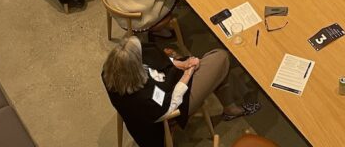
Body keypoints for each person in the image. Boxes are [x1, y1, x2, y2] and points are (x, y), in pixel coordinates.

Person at [103, 36, 259, 147]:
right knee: (221, 57)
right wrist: (188, 72)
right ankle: (230, 106)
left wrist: (181, 63)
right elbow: (170, 105)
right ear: (135, 69)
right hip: (174, 101)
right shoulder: (144, 98)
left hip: (165, 84)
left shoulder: (111, 71)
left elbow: (151, 58)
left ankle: (228, 101)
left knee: (214, 66)